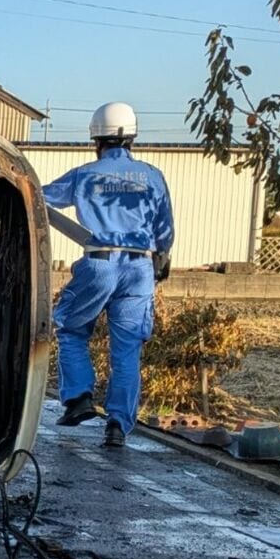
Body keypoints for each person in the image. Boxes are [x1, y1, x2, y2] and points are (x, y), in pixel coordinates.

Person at [43, 102, 174, 447]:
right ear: (132, 138)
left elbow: (39, 197)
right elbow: (165, 230)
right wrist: (162, 256)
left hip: (99, 262)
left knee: (71, 326)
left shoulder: (84, 174)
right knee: (127, 347)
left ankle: (79, 398)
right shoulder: (153, 176)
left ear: (95, 140)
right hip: (140, 267)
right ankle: (117, 425)